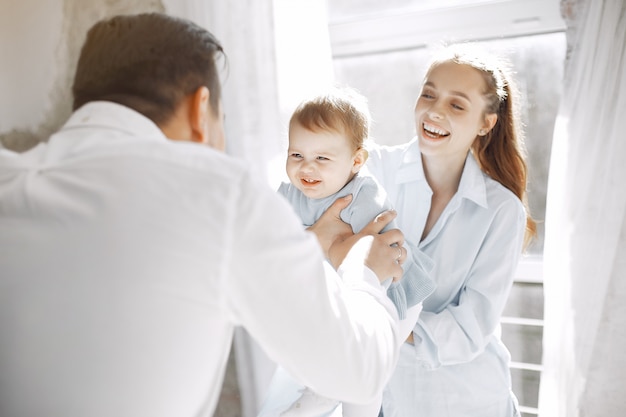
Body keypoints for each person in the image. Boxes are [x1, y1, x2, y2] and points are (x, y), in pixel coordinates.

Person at [0, 13, 408, 417]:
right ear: (201, 109)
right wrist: (362, 267)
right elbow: (359, 371)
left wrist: (312, 242)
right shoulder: (223, 197)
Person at [313, 44, 537, 417]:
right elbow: (308, 241)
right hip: (385, 396)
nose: (434, 111)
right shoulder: (368, 170)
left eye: (457, 104)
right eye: (428, 94)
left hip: (469, 400)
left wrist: (381, 322)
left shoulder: (501, 211)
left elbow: (471, 327)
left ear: (486, 123)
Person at [273, 88, 435, 417]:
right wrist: (312, 239)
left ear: (356, 161)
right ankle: (325, 390)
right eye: (296, 155)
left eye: (322, 158)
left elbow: (374, 256)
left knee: (365, 366)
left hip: (394, 295)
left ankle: (343, 400)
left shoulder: (363, 196)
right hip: (341, 291)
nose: (307, 167)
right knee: (335, 355)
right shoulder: (287, 195)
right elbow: (274, 243)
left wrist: (311, 243)